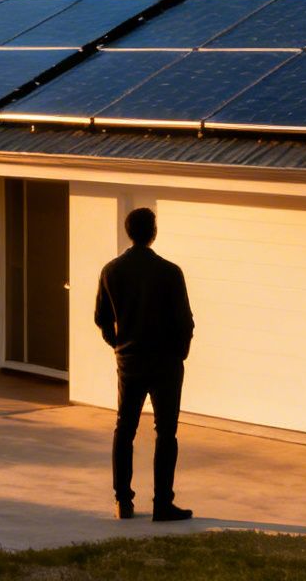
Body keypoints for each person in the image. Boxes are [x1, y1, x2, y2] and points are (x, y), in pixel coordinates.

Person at [93, 205, 194, 521]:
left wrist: (119, 346)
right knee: (166, 432)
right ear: (152, 233)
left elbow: (102, 319)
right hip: (165, 362)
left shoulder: (111, 271)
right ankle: (162, 503)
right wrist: (180, 353)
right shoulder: (170, 271)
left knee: (125, 428)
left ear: (129, 232)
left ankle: (123, 501)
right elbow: (185, 321)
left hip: (131, 361)